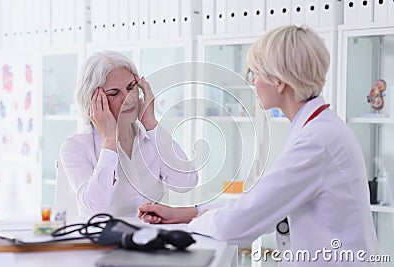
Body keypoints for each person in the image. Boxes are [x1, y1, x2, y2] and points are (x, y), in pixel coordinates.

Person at [138, 26, 379, 265]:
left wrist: (194, 221)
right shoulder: (318, 129)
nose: (252, 82)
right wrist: (187, 213)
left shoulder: (317, 141)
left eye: (256, 73)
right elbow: (261, 201)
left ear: (278, 80)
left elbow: (236, 224)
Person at [60, 50, 198, 217]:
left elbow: (186, 183)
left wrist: (150, 123)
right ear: (93, 101)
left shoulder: (150, 138)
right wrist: (110, 141)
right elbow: (96, 209)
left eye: (131, 88)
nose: (128, 98)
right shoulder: (76, 147)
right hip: (105, 242)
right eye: (114, 93)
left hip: (152, 239)